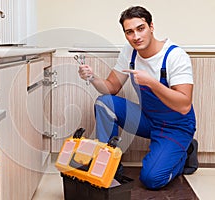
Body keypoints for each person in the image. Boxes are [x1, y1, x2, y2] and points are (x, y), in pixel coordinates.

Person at [78, 6, 198, 190]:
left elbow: (183, 105)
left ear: (151, 26)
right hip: (149, 119)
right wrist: (92, 78)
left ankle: (185, 151)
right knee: (104, 102)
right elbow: (111, 88)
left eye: (140, 28)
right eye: (129, 32)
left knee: (152, 179)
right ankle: (108, 165)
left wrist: (151, 82)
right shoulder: (130, 52)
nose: (136, 36)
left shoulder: (174, 56)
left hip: (176, 126)